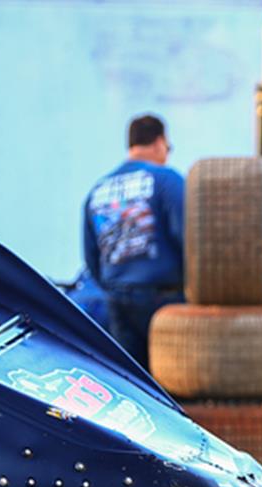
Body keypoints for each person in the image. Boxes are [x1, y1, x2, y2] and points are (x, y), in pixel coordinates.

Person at [83, 114, 185, 369]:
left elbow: (91, 255)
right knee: (172, 384)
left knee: (135, 384)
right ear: (160, 142)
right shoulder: (166, 180)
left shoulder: (99, 189)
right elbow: (188, 236)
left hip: (117, 299)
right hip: (164, 300)